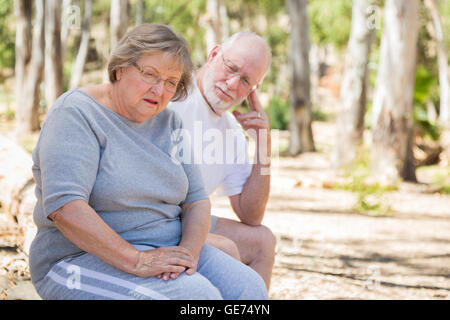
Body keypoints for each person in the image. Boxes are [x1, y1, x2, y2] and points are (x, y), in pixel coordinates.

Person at [28, 24, 268, 300]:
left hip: (166, 245)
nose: (159, 90)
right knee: (196, 298)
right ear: (120, 67)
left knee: (250, 290)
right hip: (75, 259)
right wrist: (137, 260)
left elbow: (197, 200)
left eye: (171, 82)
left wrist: (189, 253)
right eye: (149, 74)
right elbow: (66, 208)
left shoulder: (169, 121)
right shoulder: (76, 113)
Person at [167, 32, 276, 290]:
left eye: (246, 81)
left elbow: (251, 215)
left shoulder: (232, 132)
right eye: (231, 68)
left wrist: (264, 148)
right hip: (153, 220)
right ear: (214, 54)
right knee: (226, 249)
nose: (232, 84)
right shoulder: (171, 95)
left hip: (190, 221)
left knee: (263, 241)